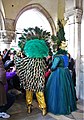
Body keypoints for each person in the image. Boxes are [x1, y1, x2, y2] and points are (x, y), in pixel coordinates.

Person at [14, 39, 49, 116]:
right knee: (40, 94)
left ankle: (29, 107)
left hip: (29, 79)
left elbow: (19, 63)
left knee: (29, 93)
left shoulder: (27, 59)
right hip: (39, 79)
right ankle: (43, 108)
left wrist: (16, 56)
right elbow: (44, 69)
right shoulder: (41, 60)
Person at [45, 48, 77, 115]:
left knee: (58, 90)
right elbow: (67, 65)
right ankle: (69, 106)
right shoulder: (66, 56)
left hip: (58, 73)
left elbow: (53, 67)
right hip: (66, 73)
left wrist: (50, 69)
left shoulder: (58, 57)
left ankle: (59, 107)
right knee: (67, 89)